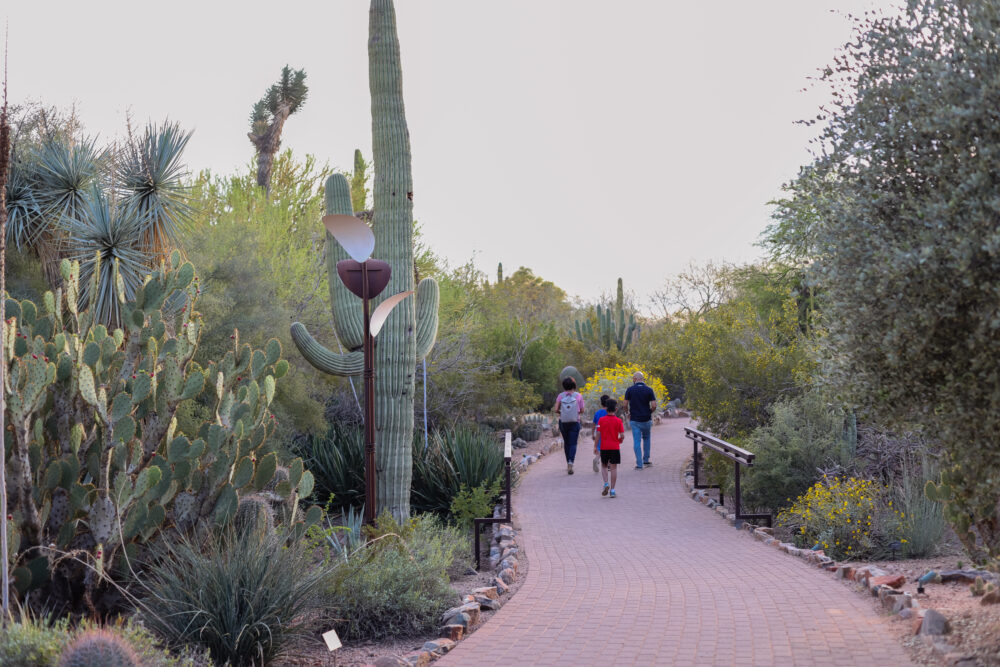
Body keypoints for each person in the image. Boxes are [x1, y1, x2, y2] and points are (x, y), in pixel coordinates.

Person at [624, 371, 657, 469]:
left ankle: (639, 464)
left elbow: (625, 404)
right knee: (647, 438)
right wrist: (649, 412)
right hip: (646, 419)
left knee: (637, 441)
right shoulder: (649, 390)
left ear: (634, 379)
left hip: (635, 419)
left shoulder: (630, 390)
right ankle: (646, 460)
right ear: (642, 379)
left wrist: (627, 413)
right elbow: (654, 405)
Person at [553, 377, 584, 474]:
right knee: (573, 443)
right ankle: (571, 462)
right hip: (575, 421)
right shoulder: (578, 396)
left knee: (567, 443)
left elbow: (556, 409)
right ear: (574, 385)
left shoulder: (560, 396)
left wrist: (562, 413)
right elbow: (582, 410)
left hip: (563, 422)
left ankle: (568, 463)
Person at [595, 398, 625, 497]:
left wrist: (595, 446)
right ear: (616, 409)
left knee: (604, 465)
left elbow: (598, 434)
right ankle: (612, 490)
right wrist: (620, 441)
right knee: (613, 468)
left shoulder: (601, 420)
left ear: (606, 409)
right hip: (615, 447)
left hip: (604, 447)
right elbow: (622, 435)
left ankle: (606, 483)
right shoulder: (618, 421)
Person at [591, 394, 610, 473]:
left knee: (599, 448)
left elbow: (593, 424)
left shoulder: (598, 413)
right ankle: (608, 464)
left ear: (601, 403)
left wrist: (593, 434)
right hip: (608, 433)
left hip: (599, 433)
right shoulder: (610, 412)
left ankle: (597, 458)